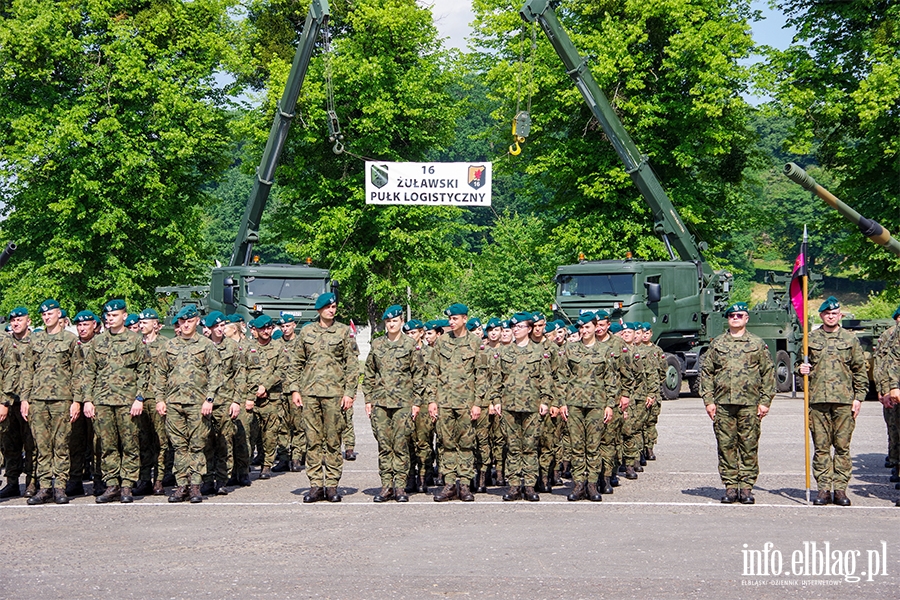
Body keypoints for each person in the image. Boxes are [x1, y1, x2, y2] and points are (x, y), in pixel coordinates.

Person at [700, 302, 775, 505]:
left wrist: (765, 401)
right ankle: (731, 487)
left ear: (746, 318)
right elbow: (706, 372)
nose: (735, 318)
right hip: (723, 403)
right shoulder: (717, 344)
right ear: (727, 319)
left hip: (750, 403)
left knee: (749, 446)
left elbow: (768, 373)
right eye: (732, 315)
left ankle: (747, 487)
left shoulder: (757, 344)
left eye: (740, 315)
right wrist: (708, 400)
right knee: (726, 446)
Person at [799, 296, 867, 506]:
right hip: (818, 400)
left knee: (842, 447)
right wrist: (800, 369)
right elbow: (799, 365)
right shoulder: (810, 339)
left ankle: (840, 490)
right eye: (827, 313)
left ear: (840, 316)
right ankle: (823, 490)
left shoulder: (850, 339)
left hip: (844, 401)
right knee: (821, 448)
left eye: (835, 313)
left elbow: (860, 370)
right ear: (821, 315)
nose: (831, 316)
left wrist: (859, 398)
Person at [82, 299, 151, 504]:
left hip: (127, 401)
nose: (110, 319)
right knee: (107, 445)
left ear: (124, 315)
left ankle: (128, 485)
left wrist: (139, 397)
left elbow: (144, 371)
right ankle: (111, 484)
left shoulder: (135, 340)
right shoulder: (98, 342)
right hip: (102, 401)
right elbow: (89, 373)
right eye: (108, 316)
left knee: (130, 444)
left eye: (114, 316)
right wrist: (88, 400)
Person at [293, 293, 359, 503]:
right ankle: (315, 485)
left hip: (334, 394)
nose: (332, 310)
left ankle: (331, 485)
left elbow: (351, 364)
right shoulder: (306, 331)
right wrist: (295, 390)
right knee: (312, 441)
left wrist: (349, 392)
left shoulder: (342, 331)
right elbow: (295, 362)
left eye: (334, 306)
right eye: (328, 307)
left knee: (332, 441)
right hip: (310, 394)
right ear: (319, 309)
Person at [154, 306, 221, 503]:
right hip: (174, 403)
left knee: (197, 445)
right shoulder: (169, 346)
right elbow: (160, 375)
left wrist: (209, 399)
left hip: (198, 404)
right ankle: (181, 485)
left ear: (197, 322)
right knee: (179, 446)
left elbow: (215, 374)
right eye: (182, 322)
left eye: (189, 321)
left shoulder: (207, 345)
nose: (185, 325)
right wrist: (160, 399)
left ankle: (195, 486)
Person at [23, 299, 83, 505]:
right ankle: (45, 487)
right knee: (42, 446)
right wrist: (25, 398)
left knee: (61, 445)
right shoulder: (35, 340)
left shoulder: (70, 340)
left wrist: (77, 401)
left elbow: (78, 373)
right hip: (38, 400)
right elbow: (27, 371)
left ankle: (60, 487)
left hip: (62, 399)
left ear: (59, 315)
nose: (46, 317)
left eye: (50, 313)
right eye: (44, 315)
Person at [362, 305, 425, 502]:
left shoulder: (409, 345)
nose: (391, 324)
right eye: (388, 321)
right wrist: (369, 399)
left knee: (400, 445)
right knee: (384, 445)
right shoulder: (378, 344)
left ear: (401, 322)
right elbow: (369, 373)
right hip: (381, 403)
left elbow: (418, 375)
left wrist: (416, 402)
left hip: (403, 403)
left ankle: (400, 487)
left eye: (395, 321)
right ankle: (386, 486)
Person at [489, 312, 553, 501]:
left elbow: (546, 379)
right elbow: (496, 379)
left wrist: (545, 401)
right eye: (513, 327)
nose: (516, 330)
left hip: (532, 406)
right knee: (513, 447)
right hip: (509, 406)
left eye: (520, 327)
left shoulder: (540, 351)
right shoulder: (504, 352)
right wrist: (496, 400)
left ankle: (530, 486)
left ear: (530, 329)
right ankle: (515, 486)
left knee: (530, 447)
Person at [428, 303, 487, 502]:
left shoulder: (475, 343)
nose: (451, 322)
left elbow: (481, 375)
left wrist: (478, 402)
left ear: (464, 319)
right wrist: (432, 400)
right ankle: (449, 483)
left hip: (466, 403)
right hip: (444, 402)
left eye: (455, 319)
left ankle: (464, 485)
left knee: (467, 445)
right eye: (450, 319)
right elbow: (432, 373)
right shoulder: (442, 342)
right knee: (446, 444)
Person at [558, 312, 614, 501]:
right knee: (576, 446)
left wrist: (610, 405)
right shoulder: (570, 349)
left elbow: (611, 379)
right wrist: (562, 402)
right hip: (574, 403)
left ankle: (592, 484)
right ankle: (578, 484)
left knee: (593, 446)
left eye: (587, 327)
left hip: (597, 404)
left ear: (595, 327)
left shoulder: (605, 350)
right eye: (581, 328)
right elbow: (562, 377)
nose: (584, 331)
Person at [243, 314, 291, 482]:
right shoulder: (247, 347)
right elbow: (243, 371)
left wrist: (265, 386)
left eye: (269, 328)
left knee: (270, 434)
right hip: (251, 398)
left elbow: (281, 371)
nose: (266, 331)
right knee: (249, 434)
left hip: (272, 398)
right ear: (255, 330)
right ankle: (244, 465)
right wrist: (252, 391)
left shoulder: (279, 348)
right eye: (262, 328)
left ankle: (266, 465)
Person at [201, 311, 243, 496]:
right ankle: (207, 479)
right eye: (216, 326)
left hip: (225, 400)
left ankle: (221, 480)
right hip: (204, 401)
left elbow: (240, 375)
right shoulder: (202, 346)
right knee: (205, 442)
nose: (219, 329)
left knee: (224, 441)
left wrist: (236, 401)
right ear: (208, 329)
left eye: (222, 326)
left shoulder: (232, 347)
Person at [137, 308, 170, 495]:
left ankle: (159, 479)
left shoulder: (165, 345)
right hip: (139, 399)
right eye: (140, 322)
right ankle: (143, 479)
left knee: (160, 441)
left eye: (146, 322)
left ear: (156, 325)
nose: (142, 325)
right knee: (142, 440)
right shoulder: (135, 343)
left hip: (158, 398)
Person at [873, 304, 900, 489]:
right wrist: (885, 388)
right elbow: (884, 362)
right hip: (894, 388)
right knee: (894, 428)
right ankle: (896, 462)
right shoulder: (889, 335)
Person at [0, 310, 23, 498]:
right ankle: (12, 482)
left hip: (12, 400)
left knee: (23, 443)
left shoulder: (3, 340)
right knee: (8, 445)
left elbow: (10, 372)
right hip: (7, 400)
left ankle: (30, 482)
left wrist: (4, 401)